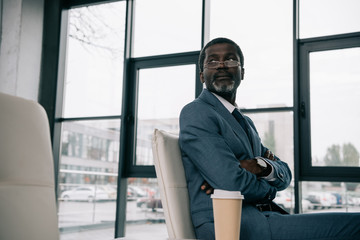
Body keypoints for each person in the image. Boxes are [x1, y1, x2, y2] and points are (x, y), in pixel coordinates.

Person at [179, 37, 360, 240]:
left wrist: (261, 166)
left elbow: (285, 173)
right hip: (232, 226)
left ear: (242, 73)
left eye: (230, 60)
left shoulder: (246, 123)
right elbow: (231, 182)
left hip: (264, 217)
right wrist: (268, 189)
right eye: (213, 61)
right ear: (202, 75)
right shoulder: (196, 112)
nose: (221, 65)